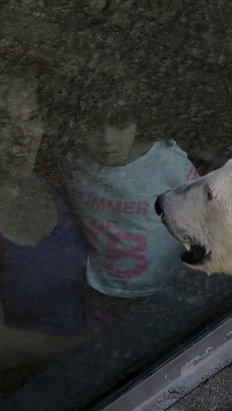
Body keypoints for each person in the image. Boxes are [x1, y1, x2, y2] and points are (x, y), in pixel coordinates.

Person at [0, 77, 88, 335]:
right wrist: (98, 349)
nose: (24, 137)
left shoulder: (52, 177)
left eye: (31, 118)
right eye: (4, 124)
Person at [65, 112, 199, 333]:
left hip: (164, 289)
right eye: (92, 125)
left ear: (137, 123)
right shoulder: (74, 163)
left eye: (120, 123)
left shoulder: (167, 163)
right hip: (101, 291)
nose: (107, 138)